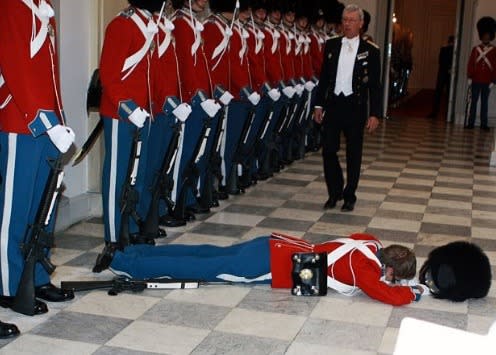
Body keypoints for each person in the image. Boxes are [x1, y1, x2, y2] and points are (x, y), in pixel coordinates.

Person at [0, 0, 76, 326]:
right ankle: (7, 282)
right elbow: (13, 66)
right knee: (14, 212)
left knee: (43, 210)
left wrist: (58, 119)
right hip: (21, 120)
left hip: (46, 122)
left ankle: (38, 275)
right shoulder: (10, 5)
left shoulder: (42, 7)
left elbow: (48, 73)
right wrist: (40, 118)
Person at [110, 232, 423, 306]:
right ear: (391, 271)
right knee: (201, 269)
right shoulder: (365, 269)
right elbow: (385, 295)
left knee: (204, 252)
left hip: (277, 243)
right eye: (394, 276)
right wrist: (411, 293)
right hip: (267, 264)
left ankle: (135, 250)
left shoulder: (368, 242)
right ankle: (125, 264)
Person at [95, 0, 164, 272]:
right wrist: (129, 107)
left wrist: (154, 107)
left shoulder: (150, 25)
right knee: (117, 177)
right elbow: (110, 76)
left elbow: (151, 74)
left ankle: (130, 228)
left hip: (143, 113)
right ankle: (113, 238)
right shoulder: (122, 25)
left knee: (137, 175)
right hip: (120, 113)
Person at [313, 4, 381, 212]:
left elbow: (375, 85)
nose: (347, 24)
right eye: (345, 20)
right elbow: (324, 78)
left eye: (352, 20)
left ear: (361, 24)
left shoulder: (371, 51)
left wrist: (375, 113)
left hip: (355, 106)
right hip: (333, 105)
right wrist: (318, 104)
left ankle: (349, 194)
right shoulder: (331, 45)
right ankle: (334, 192)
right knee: (329, 151)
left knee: (354, 153)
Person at [466, 16, 496, 130]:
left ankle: (484, 124)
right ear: (481, 35)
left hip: (487, 81)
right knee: (473, 103)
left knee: (484, 104)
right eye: (484, 34)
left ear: (490, 36)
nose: (486, 36)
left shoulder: (494, 51)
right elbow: (470, 63)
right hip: (476, 80)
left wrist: (493, 80)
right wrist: (470, 77)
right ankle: (471, 123)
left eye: (488, 35)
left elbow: (495, 67)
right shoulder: (475, 49)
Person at [428, 36, 454, 118]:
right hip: (448, 73)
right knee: (449, 94)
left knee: (438, 93)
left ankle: (435, 112)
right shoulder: (454, 51)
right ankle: (448, 114)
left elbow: (440, 61)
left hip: (442, 73)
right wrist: (450, 68)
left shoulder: (443, 49)